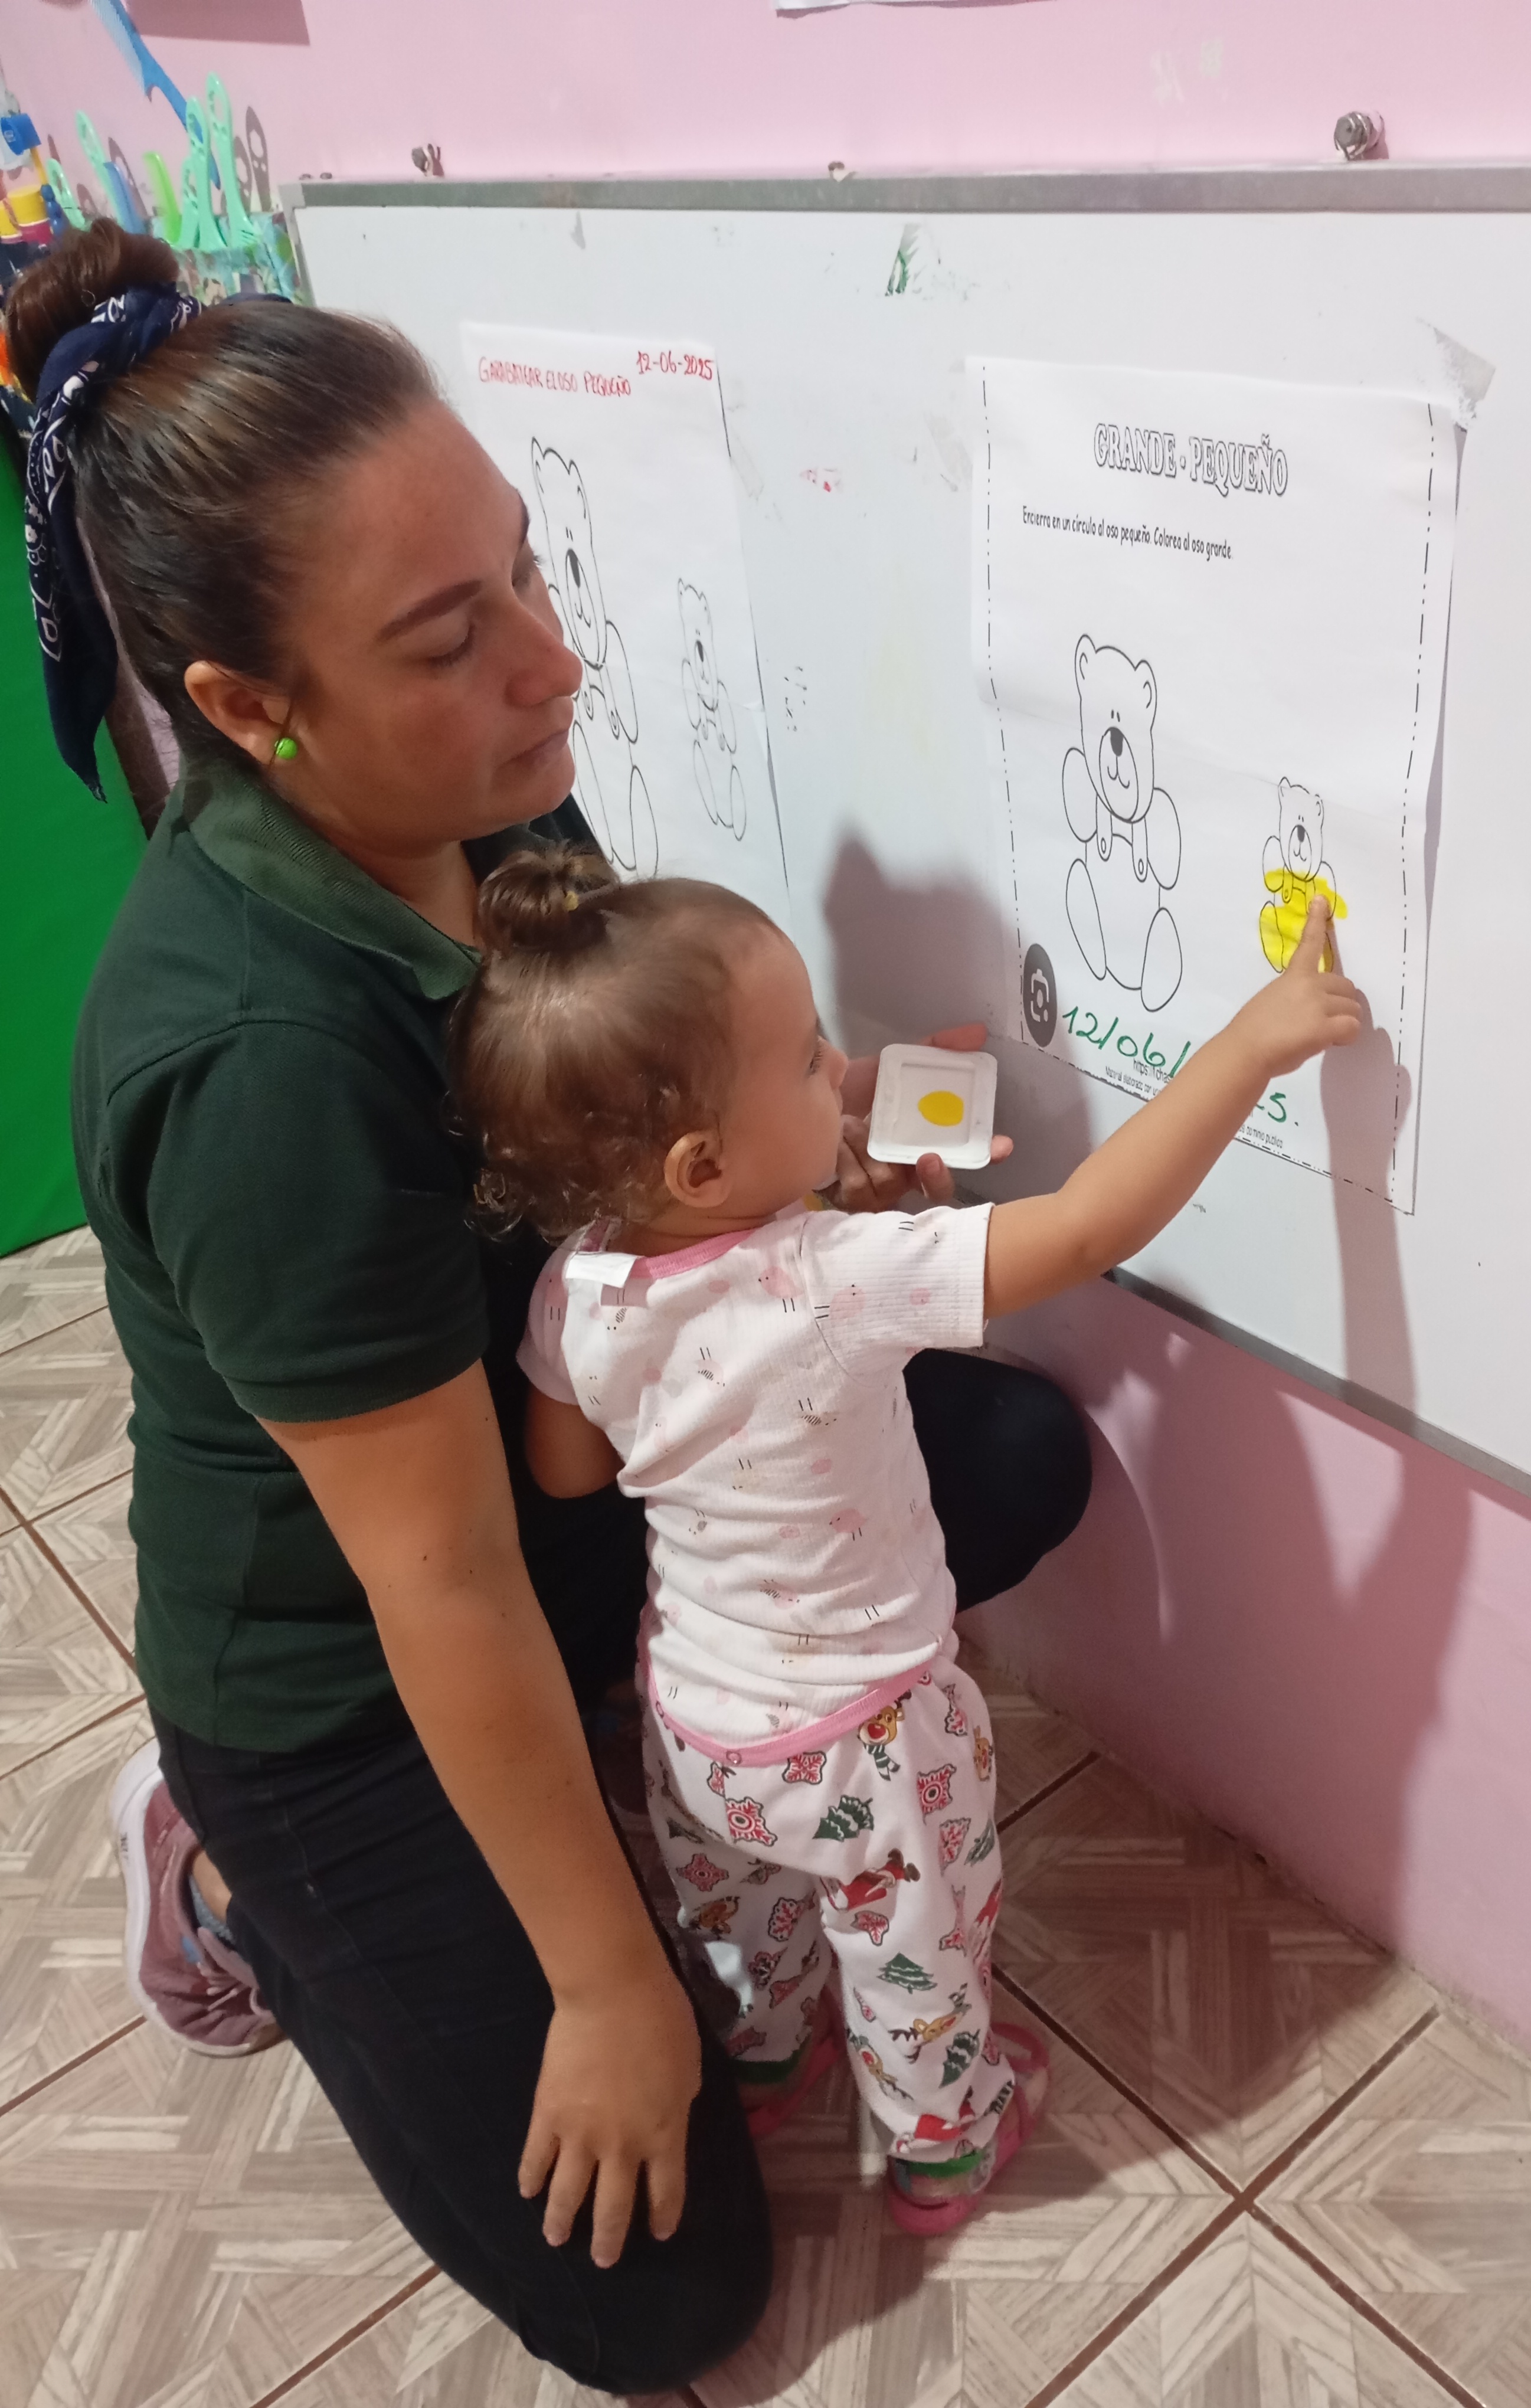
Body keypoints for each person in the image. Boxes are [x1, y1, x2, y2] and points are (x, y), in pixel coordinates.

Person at [5, 223, 1092, 2391]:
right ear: (250, 712)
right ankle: (227, 1882)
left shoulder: (490, 802)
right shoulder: (257, 1067)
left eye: (523, 569)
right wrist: (605, 1985)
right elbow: (439, 1588)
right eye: (453, 636)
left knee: (1003, 1453)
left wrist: (798, 1152)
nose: (553, 659)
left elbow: (608, 1125)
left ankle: (600, 1757)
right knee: (662, 2294)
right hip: (345, 1668)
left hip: (547, 1464)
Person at [447, 847, 1360, 2230]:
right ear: (703, 1162)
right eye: (812, 1061)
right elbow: (1092, 1223)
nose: (845, 1074)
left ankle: (763, 2059)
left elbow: (565, 1467)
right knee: (914, 1953)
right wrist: (1253, 1043)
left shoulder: (576, 1284)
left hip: (694, 1722)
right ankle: (944, 2142)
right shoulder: (832, 1279)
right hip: (867, 1739)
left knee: (741, 1918)